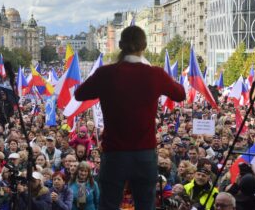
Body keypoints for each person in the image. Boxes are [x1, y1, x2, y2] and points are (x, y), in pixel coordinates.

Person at [74, 25, 186, 210]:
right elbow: (180, 94)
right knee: (145, 205)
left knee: (108, 204)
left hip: (114, 154)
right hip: (144, 154)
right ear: (144, 46)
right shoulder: (155, 74)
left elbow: (79, 94)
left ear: (120, 45)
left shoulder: (106, 73)